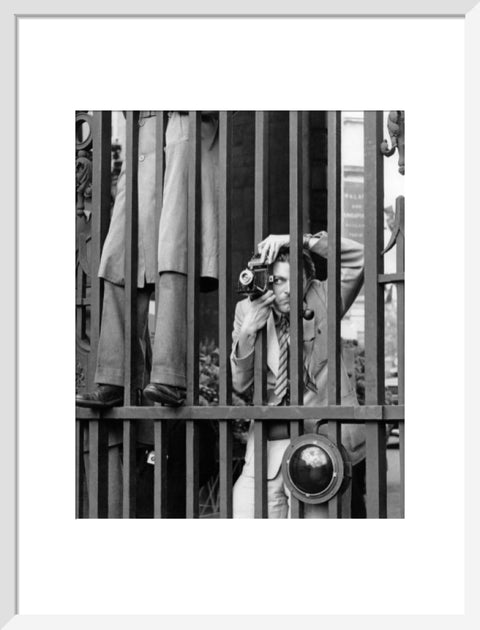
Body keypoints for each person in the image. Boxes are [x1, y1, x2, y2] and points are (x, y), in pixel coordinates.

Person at [76, 111, 219, 517]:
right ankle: (115, 376)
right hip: (142, 131)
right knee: (119, 255)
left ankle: (169, 377)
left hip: (183, 121)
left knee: (173, 250)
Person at [231, 231, 366, 518]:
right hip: (267, 448)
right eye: (278, 280)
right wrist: (247, 333)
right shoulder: (247, 309)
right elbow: (240, 384)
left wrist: (296, 239)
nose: (287, 290)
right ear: (266, 280)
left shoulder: (323, 297)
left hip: (321, 445)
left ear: (307, 281)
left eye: (294, 280)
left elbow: (360, 259)